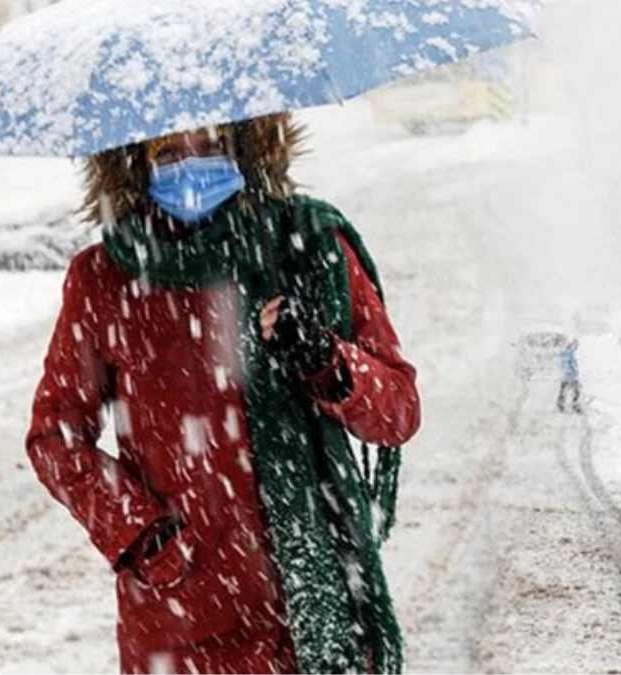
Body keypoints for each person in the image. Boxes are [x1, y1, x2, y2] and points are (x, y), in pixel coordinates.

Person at [24, 114, 420, 675]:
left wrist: (326, 361)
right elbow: (55, 436)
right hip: (182, 623)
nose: (191, 166)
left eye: (210, 144)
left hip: (312, 607)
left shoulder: (306, 248)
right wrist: (145, 538)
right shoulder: (106, 278)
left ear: (246, 144)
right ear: (134, 163)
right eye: (168, 151)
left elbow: (399, 411)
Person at [558, 338, 582, 413]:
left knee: (565, 392)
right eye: (576, 346)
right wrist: (572, 376)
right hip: (569, 377)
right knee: (575, 392)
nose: (577, 348)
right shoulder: (567, 353)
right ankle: (574, 406)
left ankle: (562, 405)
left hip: (569, 377)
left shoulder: (569, 352)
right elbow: (567, 365)